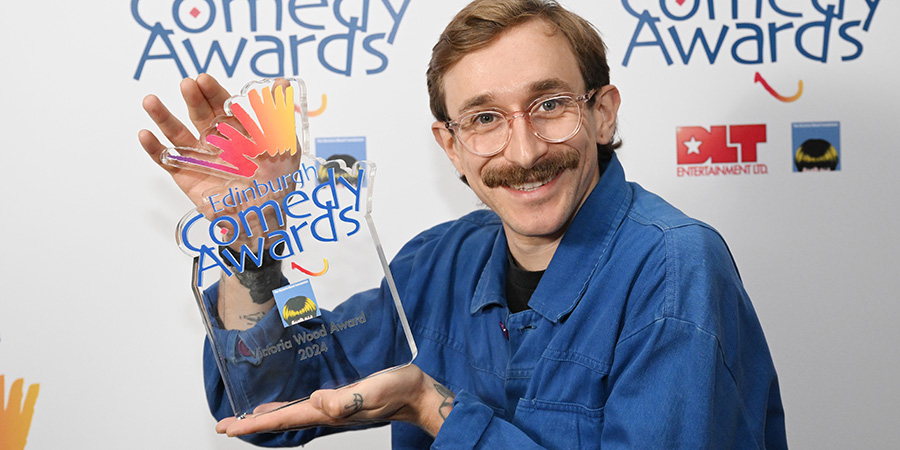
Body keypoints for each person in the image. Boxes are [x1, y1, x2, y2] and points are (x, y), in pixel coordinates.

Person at [139, 0, 787, 448]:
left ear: (603, 113)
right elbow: (269, 401)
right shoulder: (437, 265)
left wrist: (433, 408)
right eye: (484, 119)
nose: (525, 149)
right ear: (449, 145)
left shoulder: (675, 268)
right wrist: (250, 244)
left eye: (550, 104)